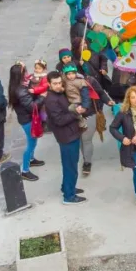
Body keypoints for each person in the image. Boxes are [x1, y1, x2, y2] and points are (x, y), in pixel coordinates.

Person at [44, 71, 87, 204]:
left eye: (59, 83)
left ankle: (67, 187)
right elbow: (59, 120)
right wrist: (75, 113)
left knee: (71, 164)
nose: (58, 86)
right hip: (66, 136)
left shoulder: (59, 93)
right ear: (49, 84)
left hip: (70, 133)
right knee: (70, 166)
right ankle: (69, 196)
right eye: (55, 84)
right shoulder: (51, 100)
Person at [9, 62, 43, 182]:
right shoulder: (21, 91)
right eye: (25, 71)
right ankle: (25, 170)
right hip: (27, 119)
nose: (27, 73)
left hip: (25, 118)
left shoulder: (18, 85)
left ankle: (32, 159)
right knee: (31, 143)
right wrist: (42, 97)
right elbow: (32, 106)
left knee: (33, 139)